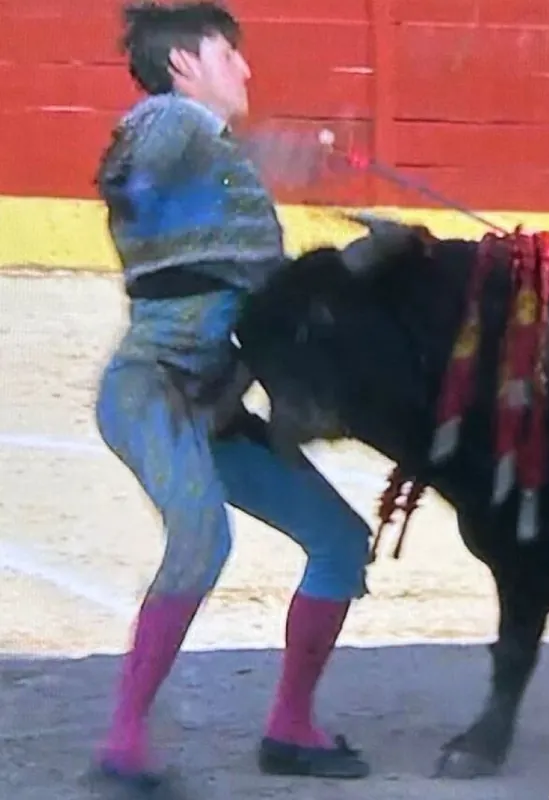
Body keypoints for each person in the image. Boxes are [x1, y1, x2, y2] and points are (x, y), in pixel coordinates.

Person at [89, 1, 371, 791]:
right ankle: (122, 743)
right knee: (202, 540)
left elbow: (262, 292)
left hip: (213, 405)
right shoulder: (167, 125)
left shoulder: (210, 152)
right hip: (152, 392)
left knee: (340, 541)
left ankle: (291, 726)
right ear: (184, 64)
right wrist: (274, 148)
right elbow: (139, 168)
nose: (245, 68)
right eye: (229, 53)